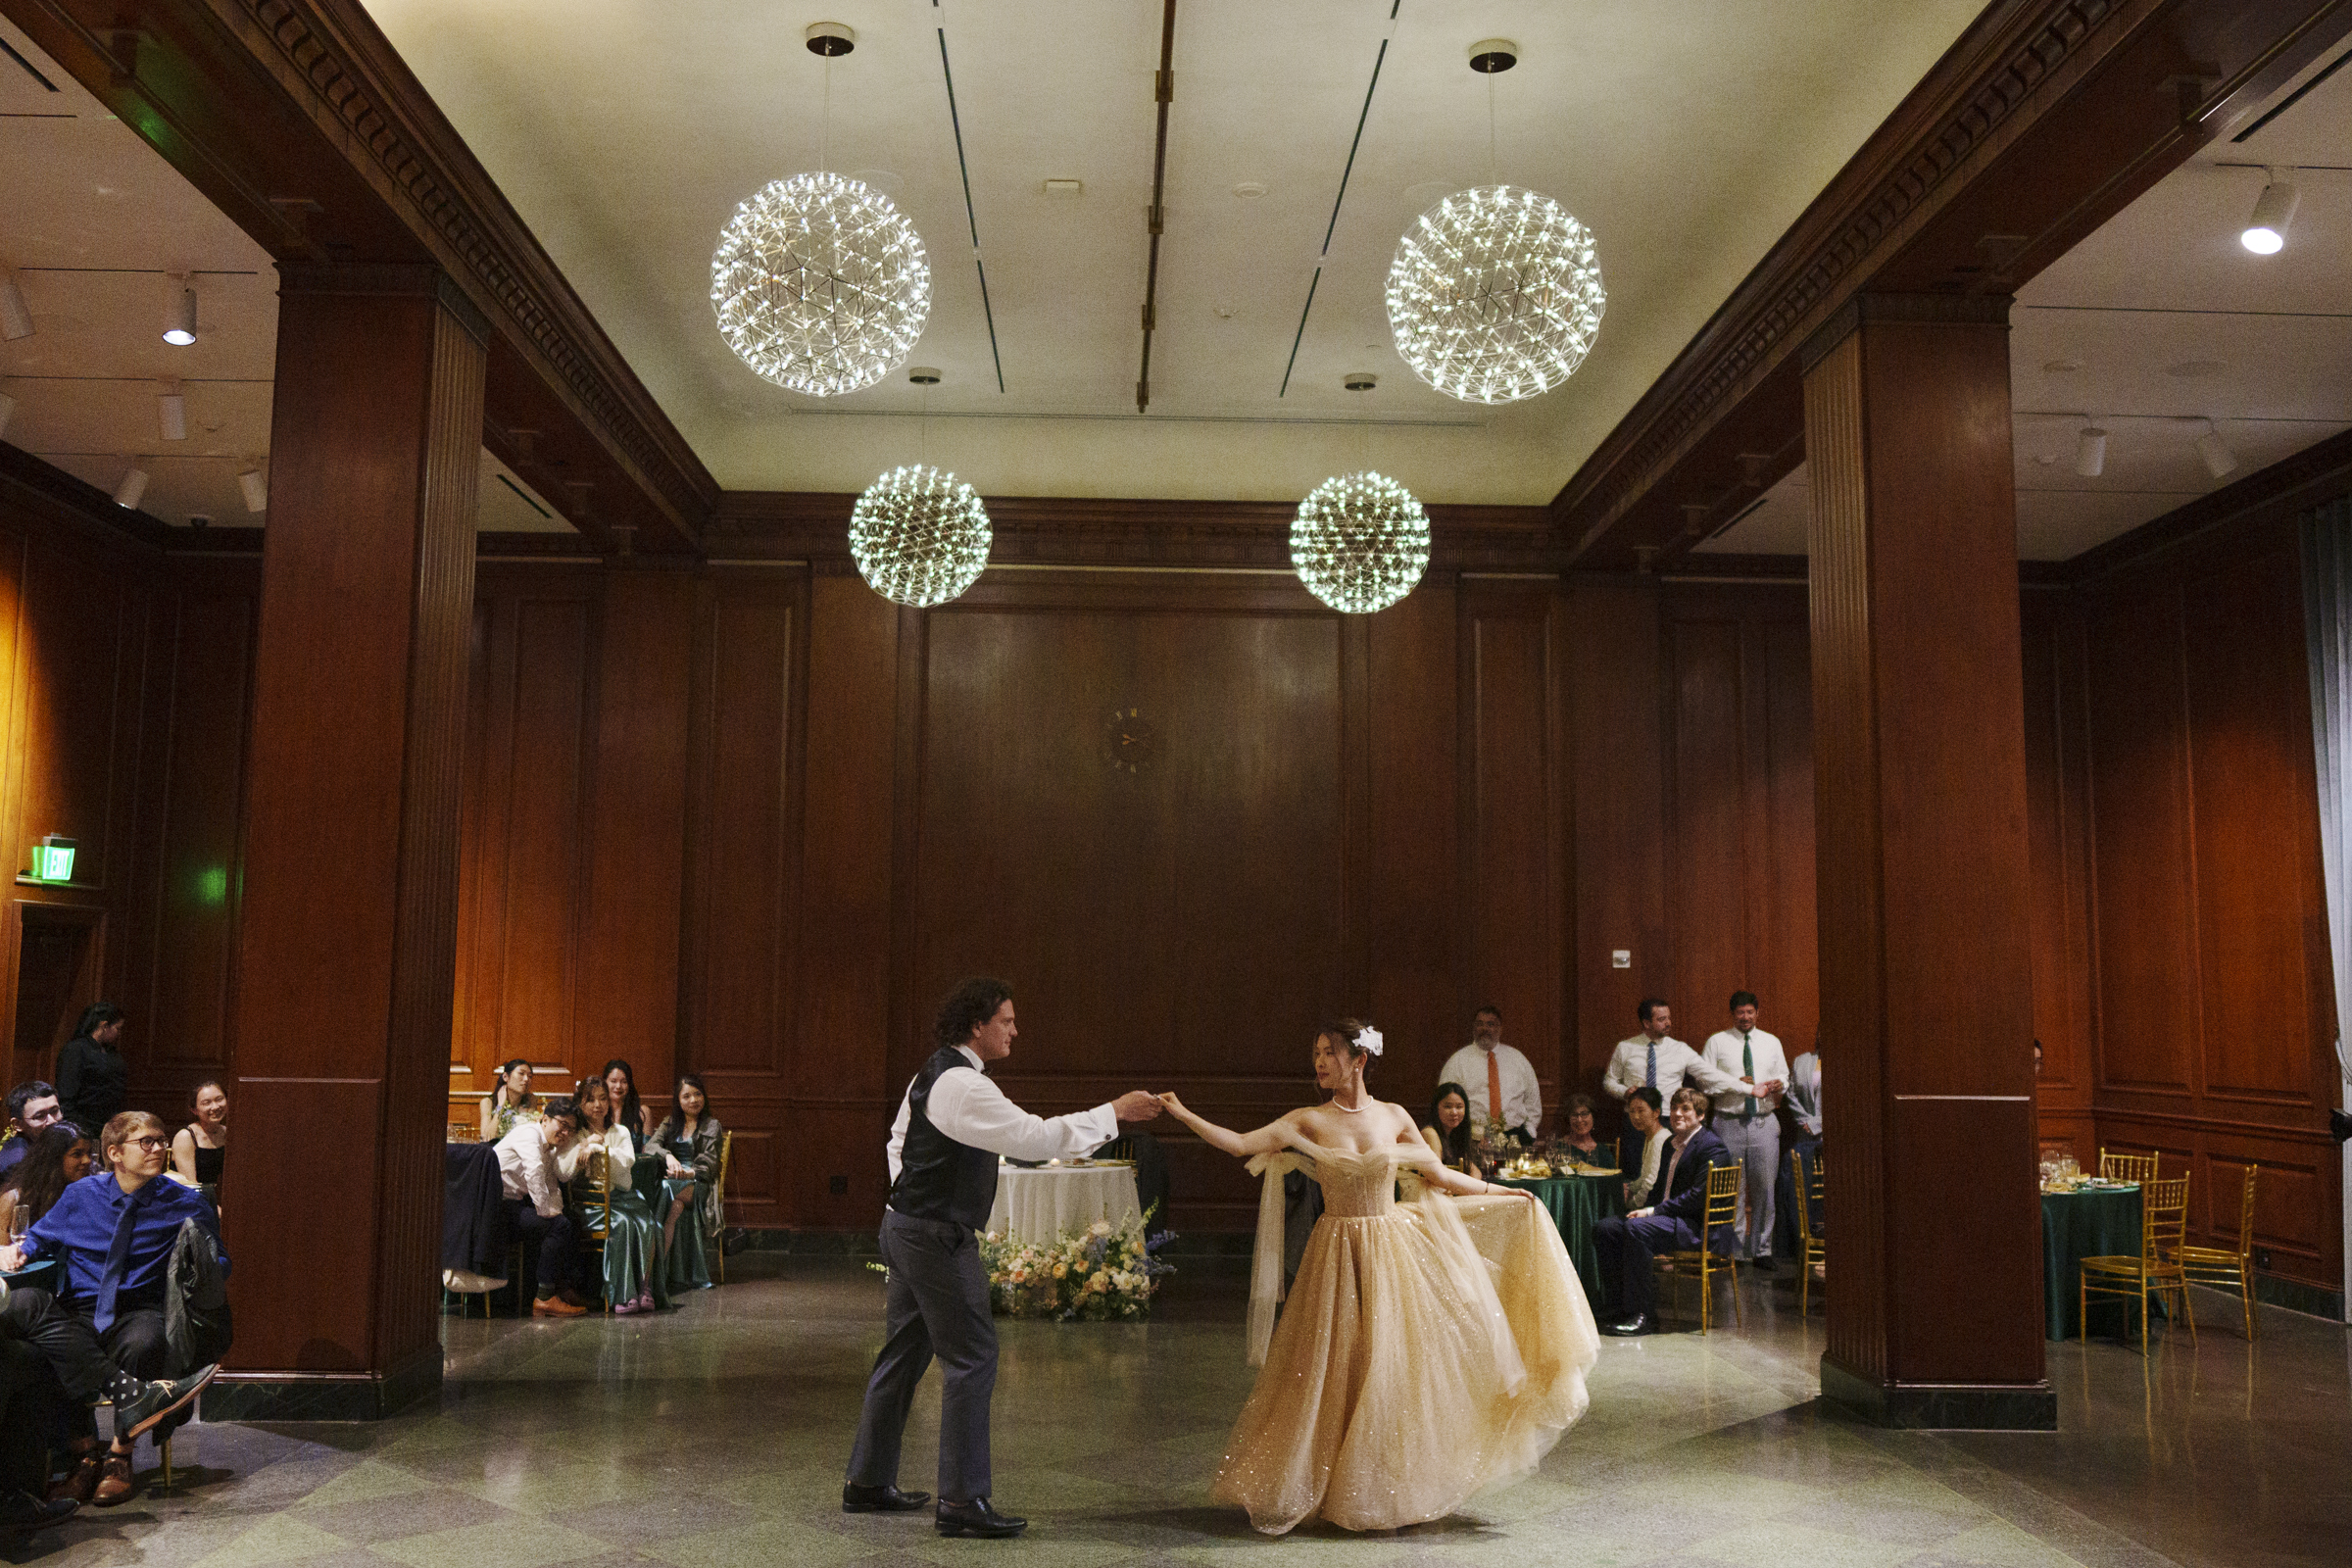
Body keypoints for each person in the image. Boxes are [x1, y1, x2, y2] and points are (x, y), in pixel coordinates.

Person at [1158, 1019, 1593, 1535]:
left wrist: (1502, 1192)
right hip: (1337, 1251)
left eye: (1329, 1052)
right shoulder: (1308, 1120)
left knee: (1394, 1365)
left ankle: (1388, 1484)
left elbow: (1440, 1176)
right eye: (1316, 1052)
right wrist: (1180, 1111)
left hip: (1393, 1249)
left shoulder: (1393, 1116)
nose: (1319, 1062)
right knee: (1333, 1364)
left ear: (1359, 1059)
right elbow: (1238, 1144)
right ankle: (1324, 1479)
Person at [844, 977, 1164, 1540]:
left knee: (904, 1352)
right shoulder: (964, 1084)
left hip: (907, 1227)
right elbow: (1034, 1140)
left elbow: (899, 1140)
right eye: (1007, 1020)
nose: (1016, 1029)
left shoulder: (933, 1072)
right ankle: (962, 1502)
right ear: (977, 1026)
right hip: (935, 1237)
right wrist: (1113, 1112)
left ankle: (868, 1482)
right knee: (972, 1357)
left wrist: (909, 1199)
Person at [0, 1110, 224, 1504]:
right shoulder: (80, 1196)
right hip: (81, 1309)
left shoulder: (184, 1202)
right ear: (115, 1153)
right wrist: (17, 1252)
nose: (159, 1148)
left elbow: (220, 1261)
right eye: (147, 1142)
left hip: (141, 1308)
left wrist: (200, 1266)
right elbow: (38, 1238)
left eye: (161, 1140)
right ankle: (85, 1451)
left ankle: (119, 1456)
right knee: (31, 1324)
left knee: (143, 1342)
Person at [1591, 1086, 1737, 1336]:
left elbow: (1697, 1198)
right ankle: (1618, 1307)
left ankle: (1644, 1315)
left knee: (1637, 1229)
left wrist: (1651, 1212)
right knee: (1605, 1228)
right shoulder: (1671, 1144)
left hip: (1697, 1226)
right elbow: (1659, 1188)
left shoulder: (1712, 1147)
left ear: (1700, 1115)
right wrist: (1645, 1208)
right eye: (1674, 1108)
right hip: (1671, 1219)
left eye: (1685, 1109)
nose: (1677, 1114)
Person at [558, 1079, 667, 1315]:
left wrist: (599, 1149)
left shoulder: (620, 1131)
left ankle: (645, 1289)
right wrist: (585, 1144)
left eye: (603, 1098)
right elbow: (566, 1171)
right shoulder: (577, 1134)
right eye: (591, 1099)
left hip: (623, 1195)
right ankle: (622, 1293)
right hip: (591, 1203)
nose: (598, 1105)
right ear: (581, 1103)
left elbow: (627, 1163)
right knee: (622, 1225)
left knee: (651, 1224)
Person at [1701, 991, 1788, 1270]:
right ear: (1732, 1014)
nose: (1745, 1017)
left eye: (1750, 1012)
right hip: (1728, 1122)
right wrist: (1734, 1083)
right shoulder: (1717, 1042)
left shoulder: (1771, 1042)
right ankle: (1734, 1252)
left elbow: (1785, 1075)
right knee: (1732, 1189)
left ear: (1757, 1013)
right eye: (1740, 1013)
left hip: (1763, 1121)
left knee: (1765, 1188)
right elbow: (1704, 1083)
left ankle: (1762, 1250)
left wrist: (1779, 1084)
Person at [495, 1096, 591, 1316]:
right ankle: (545, 1297)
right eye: (562, 1125)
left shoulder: (549, 1147)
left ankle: (562, 1289)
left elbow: (553, 1183)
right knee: (557, 1226)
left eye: (571, 1129)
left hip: (512, 1204)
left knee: (569, 1221)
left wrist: (554, 1211)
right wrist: (545, 1211)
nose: (565, 1133)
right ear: (545, 1119)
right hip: (495, 1208)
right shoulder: (529, 1133)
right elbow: (534, 1171)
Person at [646, 1074, 722, 1290]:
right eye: (686, 1096)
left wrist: (688, 1173)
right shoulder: (670, 1123)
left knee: (663, 1188)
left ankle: (650, 1274)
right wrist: (668, 1156)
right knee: (675, 1206)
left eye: (698, 1094)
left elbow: (709, 1165)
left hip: (698, 1183)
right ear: (678, 1101)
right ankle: (658, 1274)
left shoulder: (711, 1125)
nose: (693, 1100)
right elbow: (650, 1146)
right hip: (675, 1184)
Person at [1600, 999, 1748, 1103]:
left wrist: (1739, 1084)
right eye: (1662, 1019)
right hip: (1636, 1116)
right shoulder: (1625, 1047)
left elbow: (1708, 1073)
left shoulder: (1680, 1049)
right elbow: (1609, 1081)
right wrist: (1624, 1092)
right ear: (1646, 1023)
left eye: (1669, 1018)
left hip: (1668, 1116)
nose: (1668, 1023)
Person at [1437, 1004, 1542, 1143]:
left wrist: (1529, 1132)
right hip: (1472, 1139)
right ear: (1474, 1027)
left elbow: (1532, 1100)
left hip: (1515, 1139)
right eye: (1480, 1024)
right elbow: (1444, 1102)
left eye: (1490, 1024)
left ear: (1500, 1028)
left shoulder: (1518, 1060)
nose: (1485, 1029)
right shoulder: (1457, 1062)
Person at [0, 1126, 93, 1239]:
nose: (87, 1160)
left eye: (89, 1154)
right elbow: (3, 1251)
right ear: (54, 1158)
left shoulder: (88, 1196)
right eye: (77, 1154)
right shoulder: (15, 1200)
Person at [55, 1004, 128, 1139]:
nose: (119, 1033)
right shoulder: (75, 1050)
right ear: (104, 1026)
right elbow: (66, 1094)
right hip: (84, 1125)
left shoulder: (111, 1052)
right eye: (117, 1028)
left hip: (109, 1124)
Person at [170, 1081, 228, 1206]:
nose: (215, 1107)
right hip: (188, 1203)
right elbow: (191, 1187)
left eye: (219, 1099)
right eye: (207, 1103)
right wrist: (215, 1210)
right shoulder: (186, 1136)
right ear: (194, 1110)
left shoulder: (227, 1133)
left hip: (211, 1200)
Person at [0, 1082, 63, 1180]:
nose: (52, 1121)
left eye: (54, 1111)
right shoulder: (17, 1163)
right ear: (17, 1124)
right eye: (39, 1116)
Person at [1617, 1086, 1669, 1206]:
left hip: (1656, 1207)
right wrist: (1628, 1187)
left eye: (1641, 1111)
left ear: (1656, 1112)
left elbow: (1650, 1183)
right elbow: (1644, 1177)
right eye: (1632, 1111)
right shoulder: (1649, 1137)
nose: (1635, 1117)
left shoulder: (1661, 1138)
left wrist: (1631, 1204)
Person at [1420, 1082, 1476, 1172]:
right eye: (1448, 1107)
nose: (1454, 1112)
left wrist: (1474, 1184)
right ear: (1436, 1108)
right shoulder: (1430, 1133)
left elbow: (1475, 1171)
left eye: (1459, 1107)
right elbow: (1438, 1175)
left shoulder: (1455, 1134)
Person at [479, 1058, 538, 1142]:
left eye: (530, 1076)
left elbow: (532, 1134)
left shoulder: (531, 1100)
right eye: (521, 1073)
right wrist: (500, 1106)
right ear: (506, 1077)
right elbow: (486, 1138)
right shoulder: (487, 1102)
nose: (526, 1079)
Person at [601, 1059, 653, 1141]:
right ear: (605, 1082)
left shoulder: (643, 1112)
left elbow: (648, 1149)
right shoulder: (598, 1111)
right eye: (613, 1081)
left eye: (624, 1082)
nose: (618, 1086)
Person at [1558, 1094, 1609, 1166]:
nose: (1579, 1120)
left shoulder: (1602, 1150)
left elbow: (1614, 1175)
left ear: (1593, 1117)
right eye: (1574, 1115)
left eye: (1584, 1114)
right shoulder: (1561, 1147)